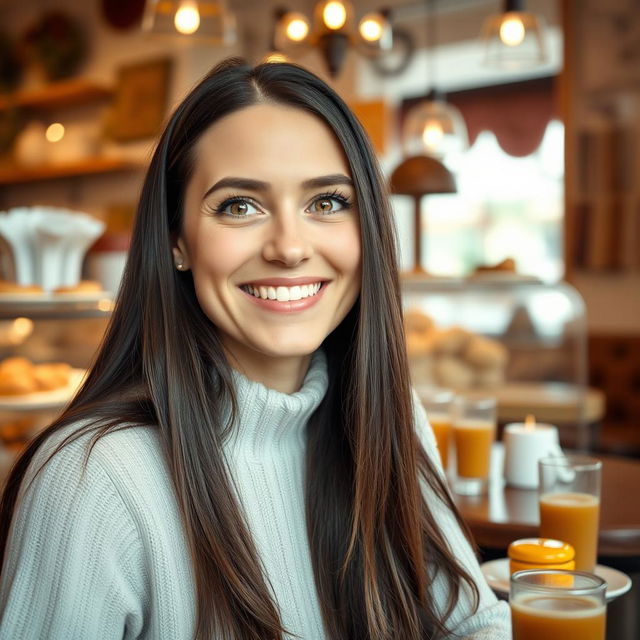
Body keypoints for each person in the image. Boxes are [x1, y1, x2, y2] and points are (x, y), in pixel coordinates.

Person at [0, 58, 510, 639]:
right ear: (176, 241)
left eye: (327, 203)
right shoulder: (92, 480)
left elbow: (475, 626)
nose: (290, 248)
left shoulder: (389, 415)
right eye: (240, 205)